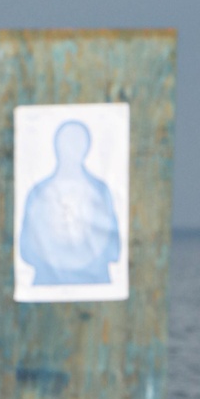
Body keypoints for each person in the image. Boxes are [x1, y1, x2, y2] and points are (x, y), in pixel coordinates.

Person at [19, 120, 121, 286]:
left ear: (87, 147)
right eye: (66, 142)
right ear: (56, 145)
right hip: (47, 283)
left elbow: (113, 246)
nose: (71, 149)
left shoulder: (100, 190)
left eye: (77, 142)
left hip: (95, 283)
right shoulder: (38, 192)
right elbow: (27, 249)